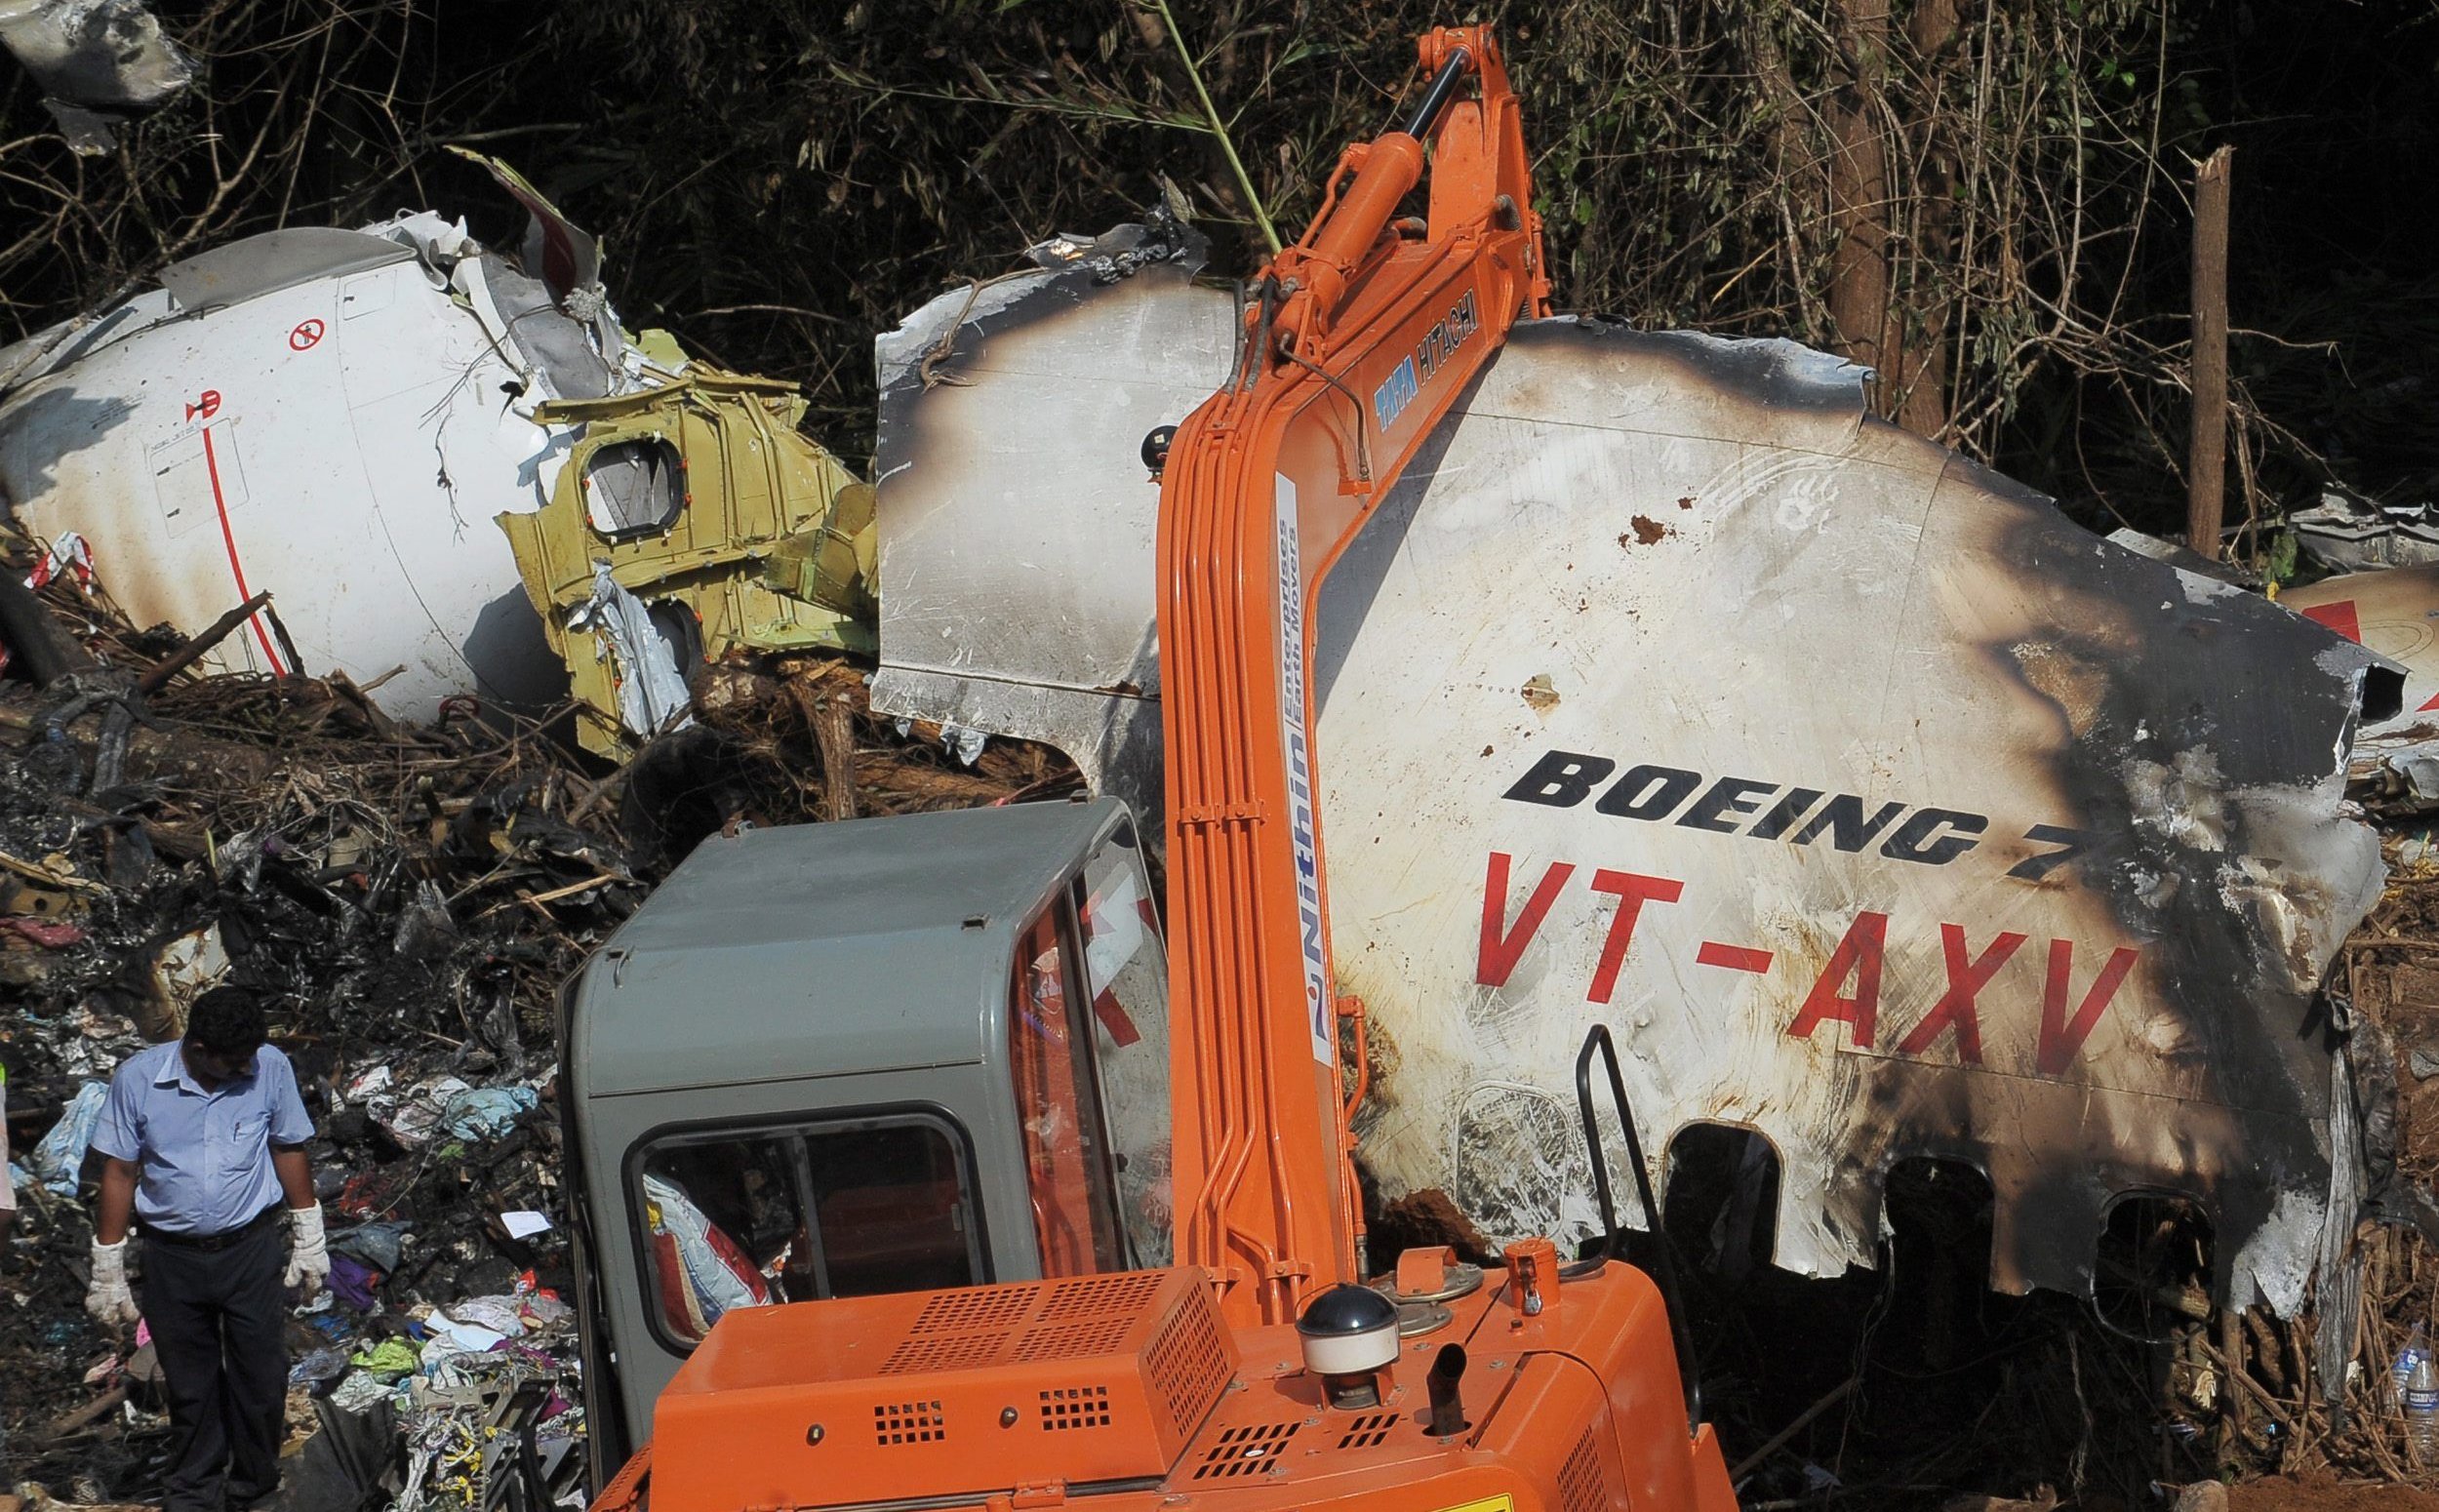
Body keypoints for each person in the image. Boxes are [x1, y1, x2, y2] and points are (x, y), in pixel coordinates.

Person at [86, 986, 330, 1512]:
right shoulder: (139, 1079)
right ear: (196, 1049)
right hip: (171, 1257)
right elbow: (121, 1170)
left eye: (249, 1059)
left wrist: (310, 1234)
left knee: (261, 1377)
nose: (245, 1068)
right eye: (232, 1062)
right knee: (190, 1384)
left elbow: (287, 1145)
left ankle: (254, 1487)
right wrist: (108, 1266)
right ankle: (194, 1492)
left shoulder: (270, 1068)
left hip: (250, 1248)